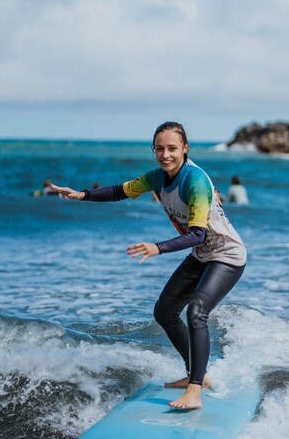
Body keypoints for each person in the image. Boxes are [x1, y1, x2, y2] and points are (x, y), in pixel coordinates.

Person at [50, 122, 246, 410]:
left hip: (227, 255)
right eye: (159, 148)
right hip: (202, 255)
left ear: (185, 149)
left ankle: (194, 392)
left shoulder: (196, 181)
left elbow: (198, 233)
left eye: (172, 149)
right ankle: (198, 375)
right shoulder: (157, 178)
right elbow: (121, 190)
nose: (165, 154)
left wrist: (159, 247)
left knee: (197, 311)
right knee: (164, 311)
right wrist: (82, 195)